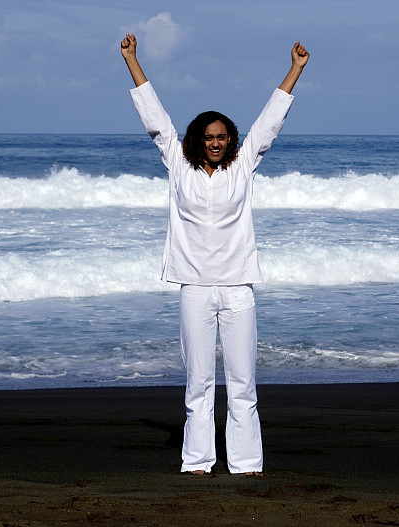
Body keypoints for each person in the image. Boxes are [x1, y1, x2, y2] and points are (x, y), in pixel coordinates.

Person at [120, 33, 309, 475]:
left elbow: (268, 125)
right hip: (195, 289)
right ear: (197, 140)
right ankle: (198, 460)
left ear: (230, 140)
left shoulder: (244, 166)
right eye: (209, 136)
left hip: (238, 288)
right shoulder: (177, 164)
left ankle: (245, 463)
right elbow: (155, 119)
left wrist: (296, 69)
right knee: (198, 383)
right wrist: (132, 60)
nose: (216, 142)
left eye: (222, 136)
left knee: (243, 384)